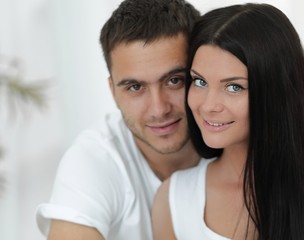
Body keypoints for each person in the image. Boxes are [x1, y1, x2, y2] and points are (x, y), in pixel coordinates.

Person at [152, 3, 304, 240]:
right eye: (200, 82)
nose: (208, 105)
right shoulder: (173, 201)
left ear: (276, 91)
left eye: (234, 87)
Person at [35, 0, 200, 239]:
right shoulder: (95, 158)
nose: (158, 109)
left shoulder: (241, 142)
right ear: (113, 91)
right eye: (135, 87)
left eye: (175, 80)